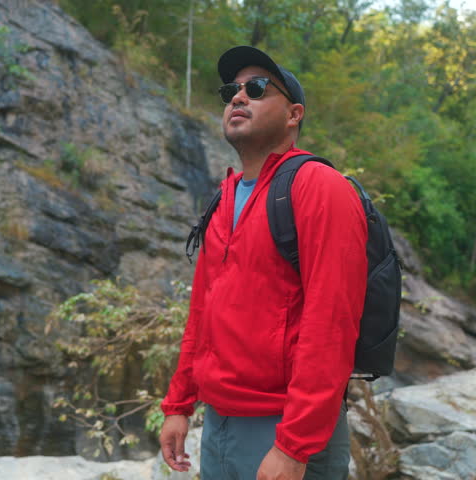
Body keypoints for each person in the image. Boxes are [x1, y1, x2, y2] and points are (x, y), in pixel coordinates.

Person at [159, 46, 368, 480]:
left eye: (255, 89)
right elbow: (202, 313)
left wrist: (294, 446)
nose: (237, 98)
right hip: (218, 424)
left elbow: (331, 323)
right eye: (230, 91)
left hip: (285, 430)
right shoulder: (224, 198)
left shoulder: (320, 187)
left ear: (294, 115)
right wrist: (179, 404)